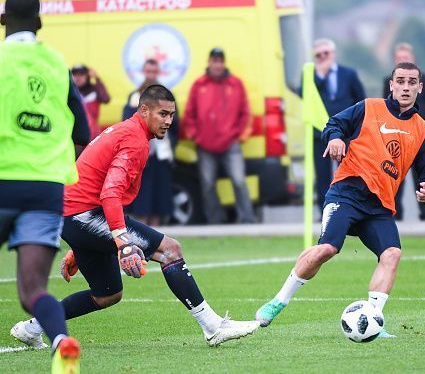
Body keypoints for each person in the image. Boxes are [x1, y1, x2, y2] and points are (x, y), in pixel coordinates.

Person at [11, 85, 260, 348]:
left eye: (171, 115)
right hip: (83, 215)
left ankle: (33, 327)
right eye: (162, 114)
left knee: (107, 294)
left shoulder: (126, 130)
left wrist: (87, 240)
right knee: (170, 250)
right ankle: (213, 327)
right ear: (144, 110)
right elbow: (109, 194)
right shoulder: (134, 140)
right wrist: (122, 241)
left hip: (75, 216)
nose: (168, 121)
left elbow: (94, 183)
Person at [256, 62, 425, 337]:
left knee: (392, 254)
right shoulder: (369, 107)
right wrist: (335, 139)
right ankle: (278, 301)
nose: (405, 87)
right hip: (347, 193)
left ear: (420, 88)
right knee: (327, 248)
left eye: (411, 82)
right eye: (400, 81)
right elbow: (334, 124)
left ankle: (374, 318)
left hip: (379, 207)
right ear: (391, 84)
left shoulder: (422, 129)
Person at [0, 0, 90, 373]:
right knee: (33, 291)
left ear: (3, 22)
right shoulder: (56, 63)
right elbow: (82, 129)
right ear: (39, 23)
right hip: (46, 188)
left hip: (4, 179)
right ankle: (60, 341)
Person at [182, 48, 256, 224]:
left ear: (224, 63)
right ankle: (216, 220)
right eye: (214, 61)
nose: (217, 64)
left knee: (238, 181)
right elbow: (189, 113)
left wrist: (240, 135)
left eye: (220, 61)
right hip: (205, 145)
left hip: (231, 144)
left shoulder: (235, 84)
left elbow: (245, 112)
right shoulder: (199, 85)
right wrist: (195, 136)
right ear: (209, 62)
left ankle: (247, 218)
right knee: (207, 184)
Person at [382, 42, 425, 220]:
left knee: (422, 173)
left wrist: (423, 121)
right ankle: (395, 211)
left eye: (405, 58)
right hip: (396, 134)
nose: (406, 87)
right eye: (399, 59)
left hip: (418, 134)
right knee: (394, 173)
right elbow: (386, 104)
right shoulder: (388, 81)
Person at [311, 38, 366, 215]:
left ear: (333, 54)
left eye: (326, 53)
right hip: (320, 134)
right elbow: (304, 96)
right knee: (322, 175)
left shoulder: (348, 74)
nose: (323, 57)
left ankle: (350, 208)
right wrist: (319, 75)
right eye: (318, 55)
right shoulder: (311, 76)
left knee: (349, 173)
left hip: (346, 133)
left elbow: (361, 100)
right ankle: (324, 211)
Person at [123, 59, 178, 226]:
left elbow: (176, 126)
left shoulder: (166, 97)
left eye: (154, 72)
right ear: (144, 72)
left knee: (159, 201)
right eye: (148, 71)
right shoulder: (135, 97)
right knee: (142, 200)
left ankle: (157, 238)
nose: (151, 75)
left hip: (161, 153)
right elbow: (127, 123)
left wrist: (170, 146)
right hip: (141, 154)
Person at [72, 63, 111, 139]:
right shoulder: (70, 91)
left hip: (92, 135)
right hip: (73, 134)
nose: (78, 77)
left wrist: (97, 78)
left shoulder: (94, 90)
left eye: (81, 74)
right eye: (75, 74)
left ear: (88, 76)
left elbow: (106, 99)